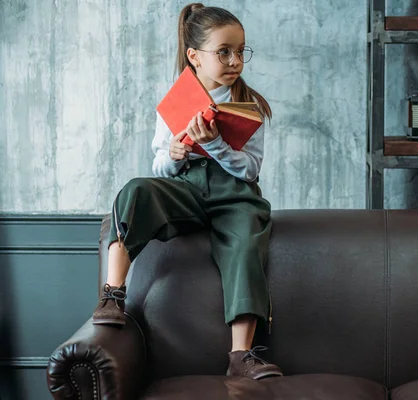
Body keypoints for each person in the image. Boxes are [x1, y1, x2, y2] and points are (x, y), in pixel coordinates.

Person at [91, 2, 282, 380]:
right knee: (137, 190)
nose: (235, 60)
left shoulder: (250, 106)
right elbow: (159, 166)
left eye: (241, 51)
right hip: (187, 189)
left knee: (245, 242)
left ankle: (241, 354)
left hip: (235, 197)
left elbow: (250, 170)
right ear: (194, 56)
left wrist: (214, 145)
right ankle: (113, 294)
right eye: (224, 52)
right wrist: (175, 154)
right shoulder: (176, 103)